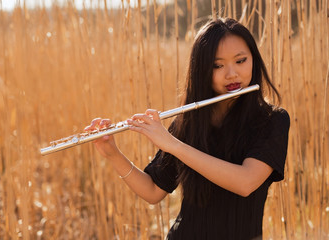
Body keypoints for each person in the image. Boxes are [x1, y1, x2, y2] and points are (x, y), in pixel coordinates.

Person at [85, 18, 290, 240]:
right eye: (217, 65)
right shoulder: (189, 122)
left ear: (253, 60)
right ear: (201, 70)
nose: (232, 73)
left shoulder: (272, 120)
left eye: (240, 61)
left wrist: (173, 144)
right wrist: (113, 154)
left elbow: (245, 183)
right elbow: (153, 191)